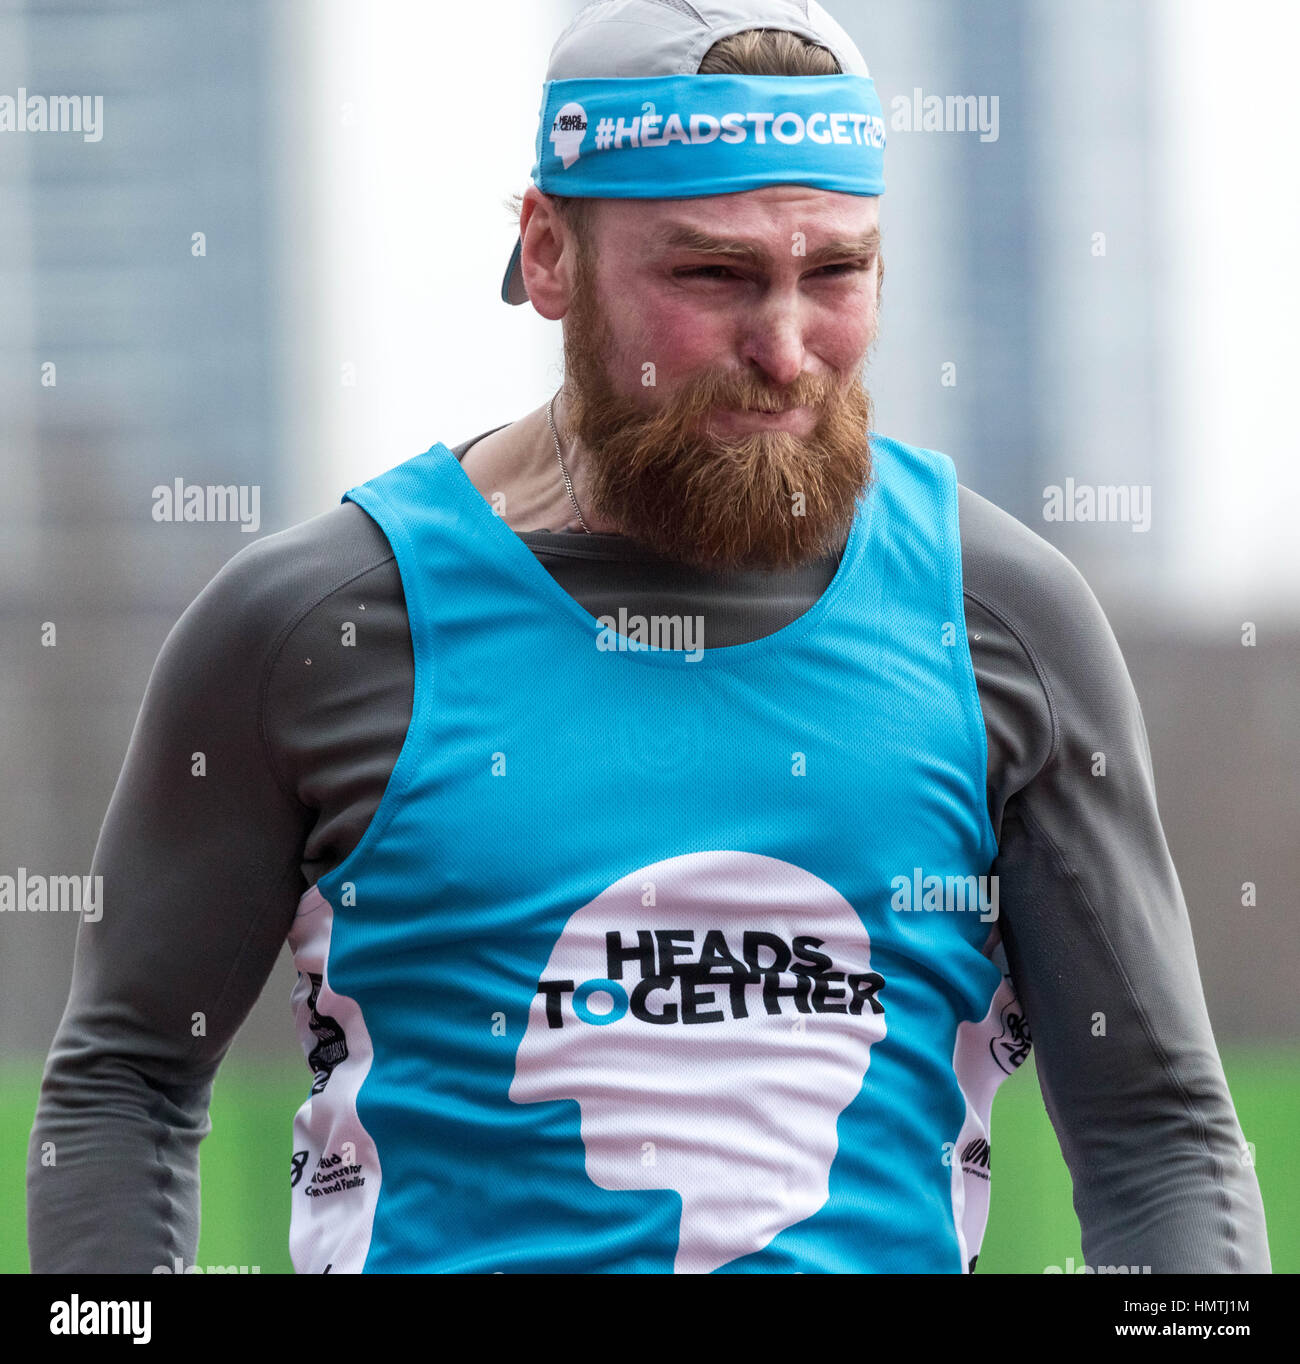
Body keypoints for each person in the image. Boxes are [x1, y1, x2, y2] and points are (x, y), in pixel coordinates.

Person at [28, 0, 1270, 1274]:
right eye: (712, 276)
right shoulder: (314, 625)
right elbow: (123, 1086)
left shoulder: (1000, 616)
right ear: (549, 251)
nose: (785, 352)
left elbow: (1157, 1136)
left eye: (834, 272)